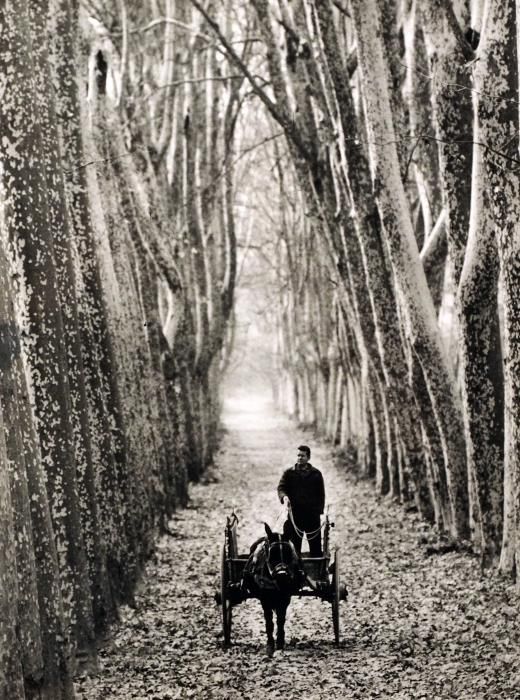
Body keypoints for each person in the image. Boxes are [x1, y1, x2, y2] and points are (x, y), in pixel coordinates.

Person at [277, 445, 325, 557]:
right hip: (295, 515)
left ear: (308, 457)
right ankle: (294, 570)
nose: (299, 458)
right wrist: (284, 497)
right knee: (293, 546)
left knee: (315, 547)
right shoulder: (289, 473)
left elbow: (321, 494)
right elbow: (281, 487)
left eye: (302, 456)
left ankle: (316, 569)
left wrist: (318, 511)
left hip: (312, 516)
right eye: (298, 455)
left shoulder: (316, 474)